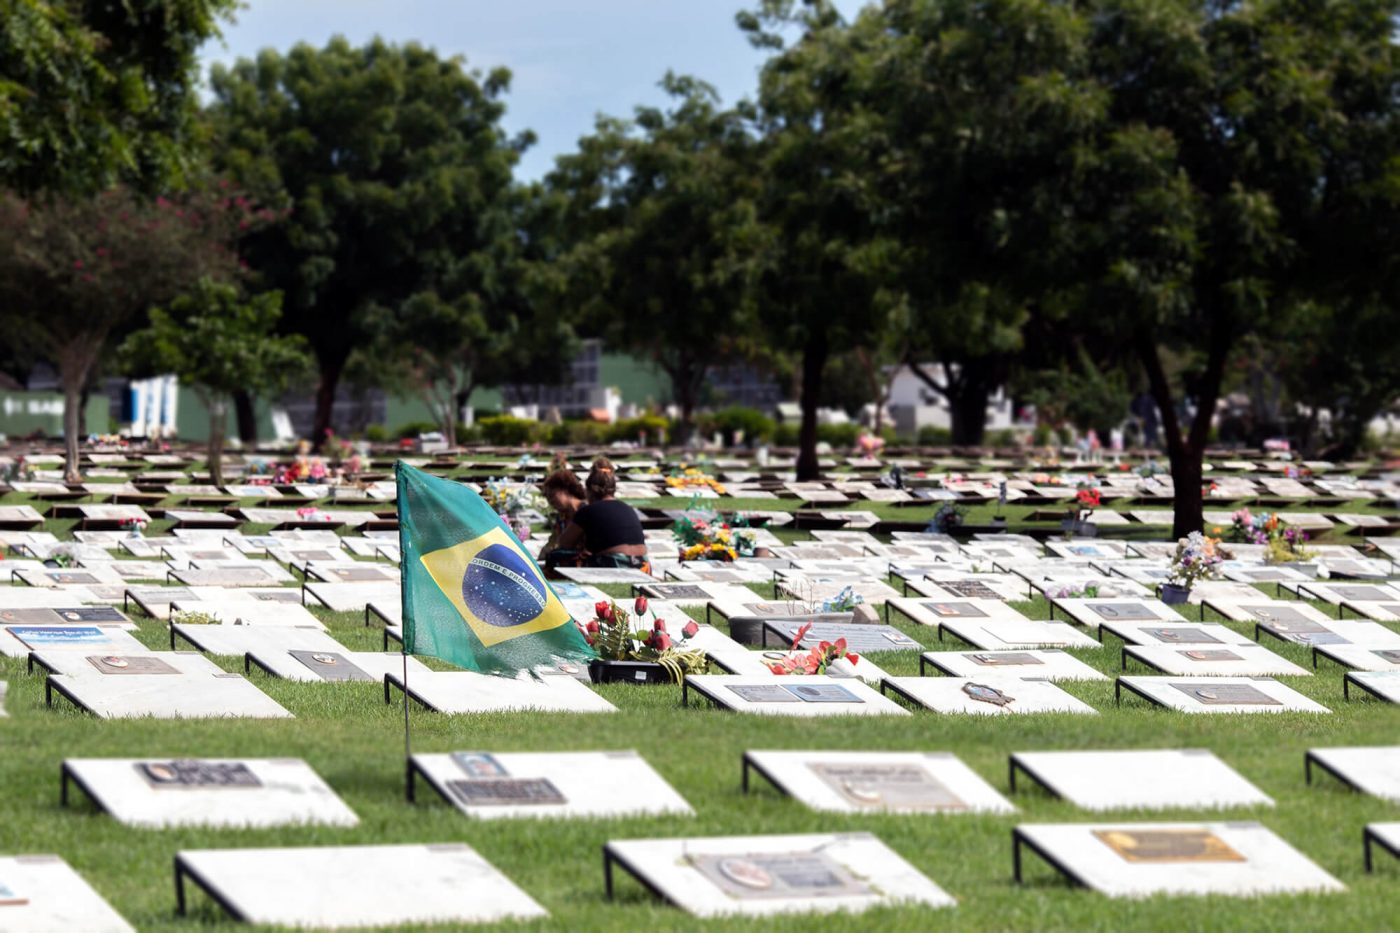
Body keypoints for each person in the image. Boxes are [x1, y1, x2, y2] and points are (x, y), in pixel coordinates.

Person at [552, 465, 648, 570]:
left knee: (556, 556)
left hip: (615, 563)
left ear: (589, 491)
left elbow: (565, 543)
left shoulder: (587, 511)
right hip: (643, 564)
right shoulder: (628, 508)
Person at [538, 470, 586, 566]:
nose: (550, 501)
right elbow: (552, 543)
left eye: (552, 496)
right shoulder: (562, 518)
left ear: (565, 489)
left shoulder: (587, 511)